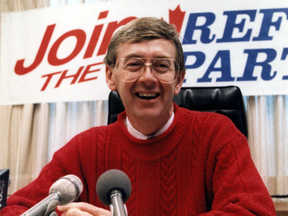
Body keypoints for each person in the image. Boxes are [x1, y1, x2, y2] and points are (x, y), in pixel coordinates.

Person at [1, 17, 275, 216]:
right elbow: (15, 209)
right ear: (110, 76)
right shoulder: (84, 149)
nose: (147, 77)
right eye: (133, 64)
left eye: (161, 66)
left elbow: (254, 212)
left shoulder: (217, 134)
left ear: (178, 79)